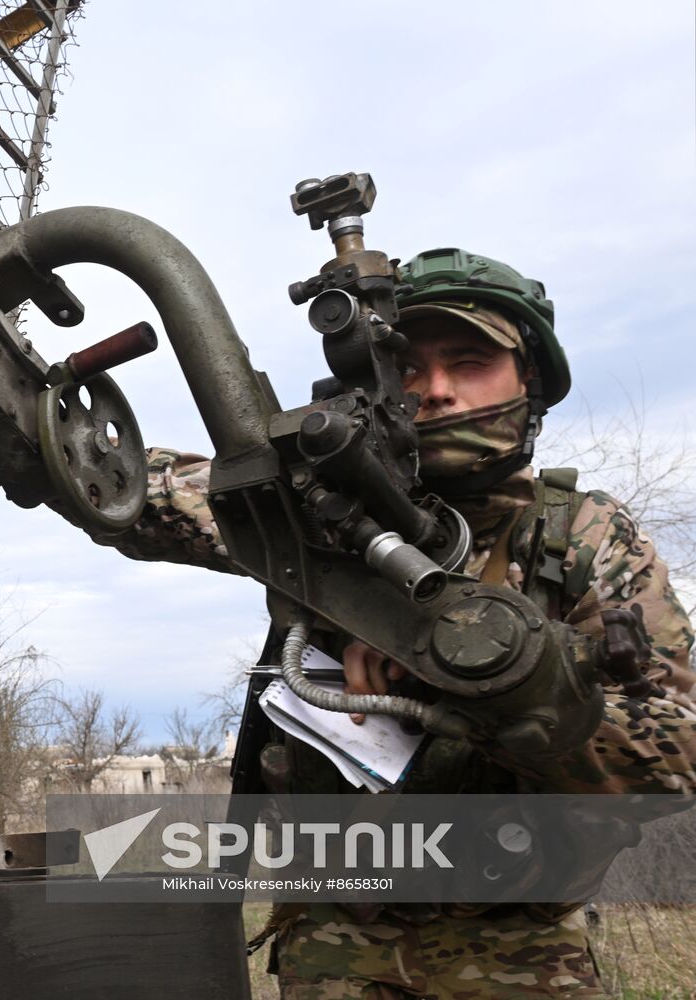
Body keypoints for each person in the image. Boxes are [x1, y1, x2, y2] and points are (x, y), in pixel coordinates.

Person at [99, 248, 696, 998]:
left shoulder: (579, 532)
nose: (436, 391)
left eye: (470, 361)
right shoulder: (317, 519)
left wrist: (479, 683)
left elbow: (670, 757)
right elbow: (126, 491)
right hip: (335, 942)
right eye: (407, 367)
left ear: (529, 382)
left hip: (518, 949)